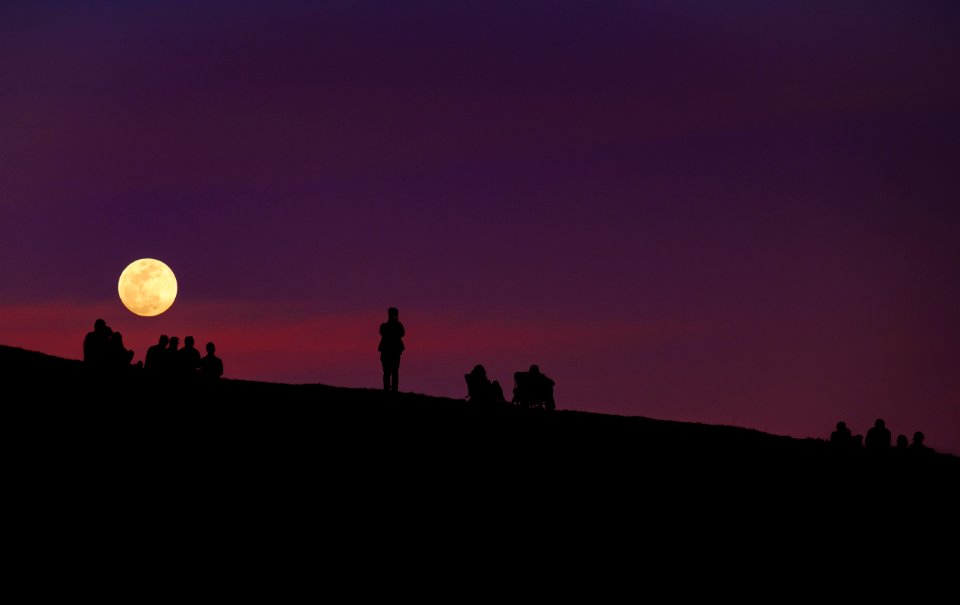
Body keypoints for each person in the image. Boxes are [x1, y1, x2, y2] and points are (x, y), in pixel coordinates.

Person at [378, 307, 405, 392]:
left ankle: (391, 389)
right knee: (390, 371)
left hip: (390, 352)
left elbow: (402, 333)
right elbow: (402, 333)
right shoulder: (387, 326)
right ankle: (390, 389)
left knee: (391, 371)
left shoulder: (387, 326)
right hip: (390, 352)